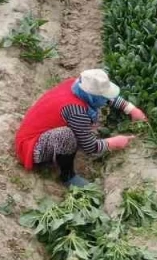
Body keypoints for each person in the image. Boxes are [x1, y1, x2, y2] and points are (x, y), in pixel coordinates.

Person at [14, 69, 147, 187]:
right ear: (93, 96)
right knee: (66, 136)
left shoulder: (77, 85)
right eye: (102, 96)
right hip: (31, 147)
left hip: (35, 131)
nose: (106, 99)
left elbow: (106, 96)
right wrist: (113, 143)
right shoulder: (76, 111)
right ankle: (68, 176)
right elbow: (90, 147)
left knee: (71, 134)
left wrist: (131, 109)